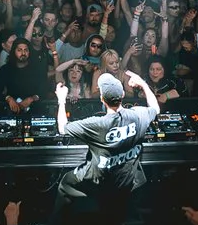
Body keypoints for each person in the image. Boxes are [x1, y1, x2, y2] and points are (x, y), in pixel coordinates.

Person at [55, 68, 158, 199]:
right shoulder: (138, 115)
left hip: (100, 182)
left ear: (102, 99)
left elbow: (63, 128)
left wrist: (61, 100)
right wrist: (143, 84)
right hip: (126, 180)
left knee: (66, 182)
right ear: (122, 95)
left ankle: (68, 217)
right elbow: (155, 108)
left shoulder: (97, 124)